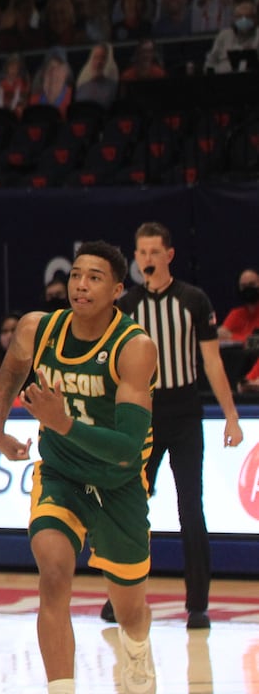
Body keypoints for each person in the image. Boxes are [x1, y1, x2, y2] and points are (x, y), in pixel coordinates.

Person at [0, 240, 158, 694]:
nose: (81, 285)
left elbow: (126, 450)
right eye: (77, 275)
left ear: (118, 289)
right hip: (60, 476)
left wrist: (61, 421)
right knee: (54, 574)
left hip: (118, 484)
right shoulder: (36, 328)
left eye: (94, 277)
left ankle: (138, 651)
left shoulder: (135, 347)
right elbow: (12, 367)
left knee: (130, 610)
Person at [100, 221, 244, 630]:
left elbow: (212, 362)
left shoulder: (193, 300)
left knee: (190, 508)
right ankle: (120, 597)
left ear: (169, 255)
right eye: (140, 253)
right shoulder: (126, 307)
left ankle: (197, 604)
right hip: (141, 414)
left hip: (184, 412)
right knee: (126, 509)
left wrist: (231, 416)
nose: (145, 260)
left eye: (152, 252)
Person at [218, 268, 259, 344]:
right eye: (243, 286)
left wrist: (231, 337)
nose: (248, 289)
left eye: (252, 284)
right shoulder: (236, 314)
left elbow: (256, 343)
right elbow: (220, 335)